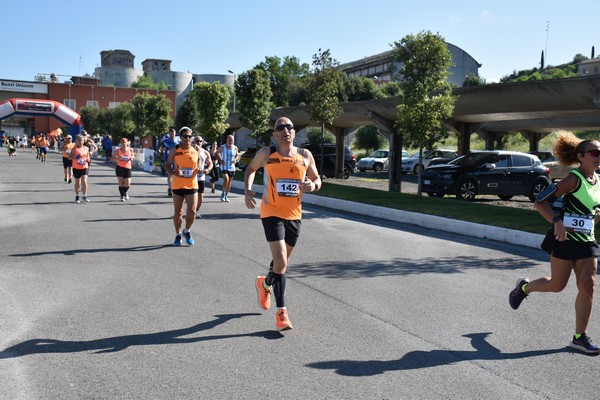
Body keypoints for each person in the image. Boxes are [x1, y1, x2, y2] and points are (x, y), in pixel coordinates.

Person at [509, 131, 600, 354]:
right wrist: (557, 221)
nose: (599, 156)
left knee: (588, 286)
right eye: (595, 152)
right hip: (564, 239)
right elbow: (540, 203)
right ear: (581, 156)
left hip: (587, 241)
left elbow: (591, 207)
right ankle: (523, 287)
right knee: (557, 285)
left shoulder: (598, 181)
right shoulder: (572, 179)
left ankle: (579, 338)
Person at [244, 117, 322, 331]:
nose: (286, 130)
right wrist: (248, 189)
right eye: (280, 128)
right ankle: (282, 313)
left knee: (281, 264)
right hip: (271, 213)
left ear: (294, 133)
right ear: (275, 134)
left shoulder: (305, 156)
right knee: (280, 261)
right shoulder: (266, 154)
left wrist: (312, 186)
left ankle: (265, 283)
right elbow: (250, 170)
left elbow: (318, 180)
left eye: (289, 127)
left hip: (294, 216)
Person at [166, 127, 201, 246]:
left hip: (192, 184)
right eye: (185, 136)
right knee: (178, 212)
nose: (188, 138)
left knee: (192, 211)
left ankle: (187, 230)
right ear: (180, 137)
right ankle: (178, 234)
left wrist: (201, 168)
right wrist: (174, 172)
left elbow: (199, 162)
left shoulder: (196, 149)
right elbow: (167, 165)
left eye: (190, 136)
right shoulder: (175, 149)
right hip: (178, 185)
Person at [193, 135, 213, 218]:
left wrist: (207, 169)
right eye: (197, 141)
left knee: (200, 196)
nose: (199, 142)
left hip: (201, 177)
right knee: (192, 196)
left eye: (200, 141)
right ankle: (191, 210)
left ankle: (196, 210)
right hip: (191, 177)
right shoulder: (190, 151)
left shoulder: (205, 152)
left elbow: (210, 163)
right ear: (194, 142)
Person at [216, 134, 240, 202]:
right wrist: (220, 160)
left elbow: (237, 155)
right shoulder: (222, 147)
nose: (230, 141)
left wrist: (236, 159)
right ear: (226, 140)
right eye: (229, 140)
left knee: (229, 181)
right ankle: (223, 194)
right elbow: (216, 153)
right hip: (224, 166)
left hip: (232, 167)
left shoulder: (235, 148)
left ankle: (226, 195)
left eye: (232, 140)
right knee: (226, 179)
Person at [69, 134, 91, 203]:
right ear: (77, 141)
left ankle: (84, 196)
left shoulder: (86, 148)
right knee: (77, 183)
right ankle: (77, 196)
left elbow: (88, 158)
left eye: (82, 140)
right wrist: (76, 157)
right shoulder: (74, 148)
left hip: (84, 167)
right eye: (80, 140)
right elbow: (69, 157)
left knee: (84, 181)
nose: (81, 142)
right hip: (76, 167)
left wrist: (87, 159)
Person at [111, 137, 135, 201]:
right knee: (121, 184)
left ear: (127, 142)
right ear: (120, 143)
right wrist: (118, 158)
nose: (124, 143)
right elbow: (112, 159)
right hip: (120, 168)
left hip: (128, 168)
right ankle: (122, 196)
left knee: (128, 184)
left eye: (125, 142)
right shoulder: (118, 150)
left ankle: (124, 192)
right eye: (122, 142)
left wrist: (132, 157)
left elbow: (133, 156)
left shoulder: (130, 150)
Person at [160, 127, 180, 197]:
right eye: (171, 134)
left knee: (176, 173)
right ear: (169, 134)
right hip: (168, 158)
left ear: (175, 133)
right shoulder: (165, 141)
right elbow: (161, 149)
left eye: (173, 134)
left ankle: (174, 187)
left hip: (177, 158)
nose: (172, 135)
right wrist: (163, 149)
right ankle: (169, 188)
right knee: (170, 174)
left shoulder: (178, 140)